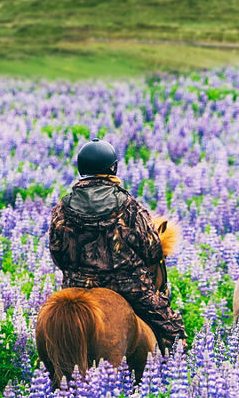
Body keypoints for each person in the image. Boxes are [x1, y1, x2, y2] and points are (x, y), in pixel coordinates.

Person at [48, 139, 186, 353]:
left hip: (76, 284)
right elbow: (152, 249)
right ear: (112, 168)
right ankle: (175, 372)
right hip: (129, 286)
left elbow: (57, 253)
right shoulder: (128, 205)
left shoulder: (63, 207)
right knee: (173, 330)